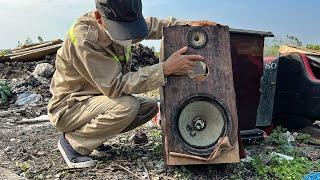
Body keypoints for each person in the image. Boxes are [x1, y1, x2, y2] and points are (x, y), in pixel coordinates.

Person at [48, 0, 215, 168]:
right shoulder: (85, 38)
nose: (130, 36)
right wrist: (164, 69)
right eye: (121, 30)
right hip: (70, 107)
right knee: (127, 107)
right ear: (99, 17)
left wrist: (188, 24)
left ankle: (94, 139)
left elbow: (154, 25)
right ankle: (73, 143)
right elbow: (114, 86)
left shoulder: (119, 19)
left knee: (149, 107)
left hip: (96, 98)